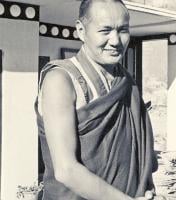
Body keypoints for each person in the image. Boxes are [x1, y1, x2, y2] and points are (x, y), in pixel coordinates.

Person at [35, 0, 159, 199]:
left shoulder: (126, 83)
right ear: (81, 30)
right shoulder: (61, 80)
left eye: (123, 30)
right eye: (105, 30)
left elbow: (145, 161)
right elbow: (66, 170)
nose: (116, 40)